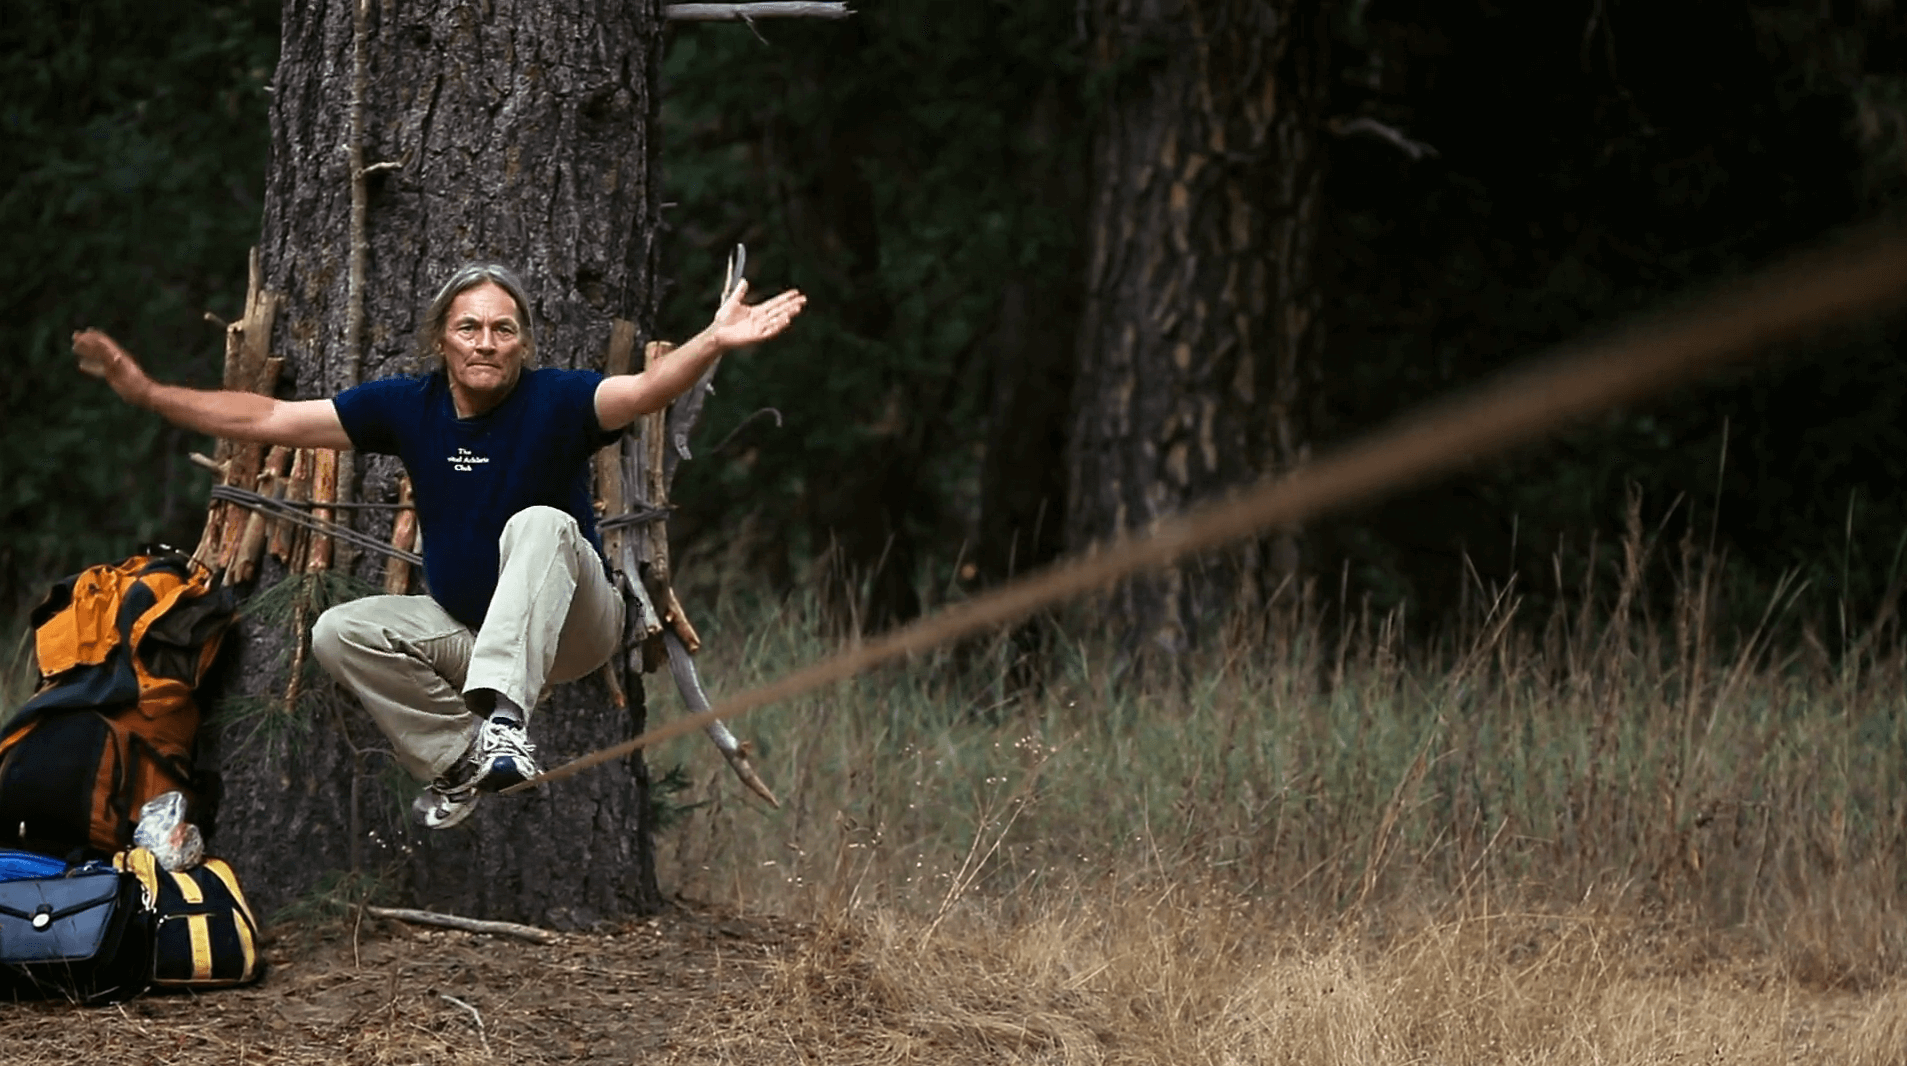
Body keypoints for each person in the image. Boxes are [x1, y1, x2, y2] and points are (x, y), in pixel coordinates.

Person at [73, 263, 806, 829]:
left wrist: (713, 340)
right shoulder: (407, 406)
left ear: (523, 341)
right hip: (474, 633)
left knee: (540, 524)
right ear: (441, 339)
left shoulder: (557, 399)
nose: (485, 342)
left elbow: (645, 391)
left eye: (503, 329)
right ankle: (462, 762)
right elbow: (269, 414)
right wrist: (148, 394)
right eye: (469, 328)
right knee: (341, 629)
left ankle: (505, 727)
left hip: (576, 626)